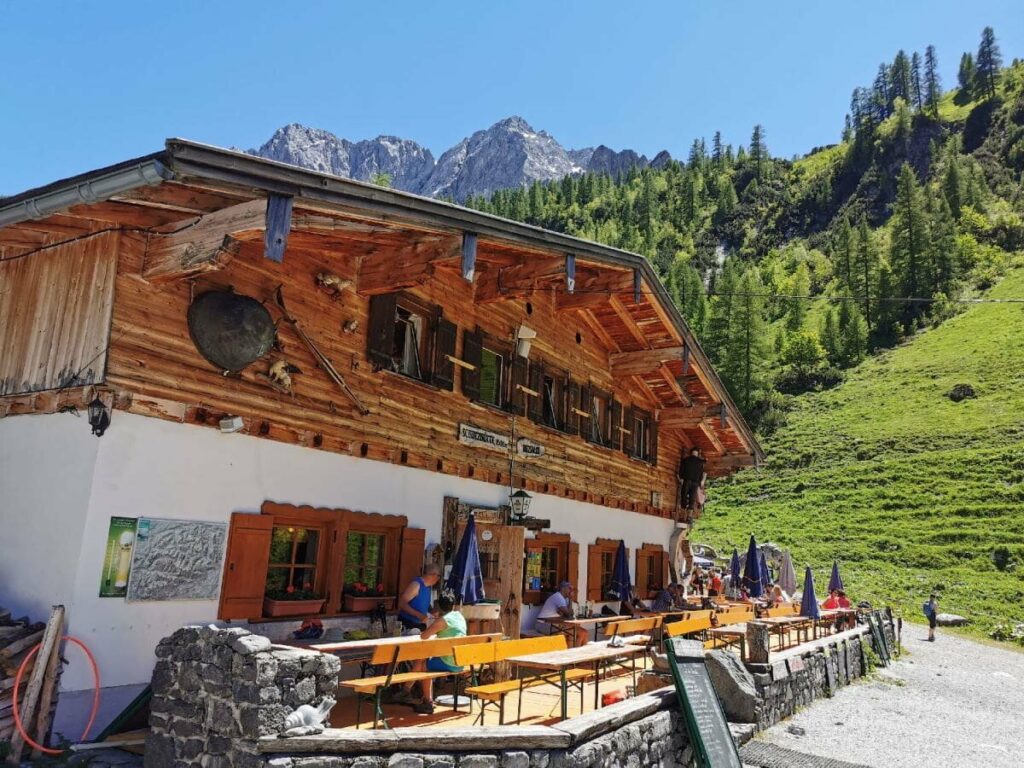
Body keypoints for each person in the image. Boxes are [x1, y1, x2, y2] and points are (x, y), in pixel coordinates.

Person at [402, 595, 466, 714]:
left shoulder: (443, 621)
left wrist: (436, 620)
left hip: (450, 662)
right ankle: (406, 690)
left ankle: (426, 701)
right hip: (460, 661)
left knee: (423, 666)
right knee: (423, 659)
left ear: (439, 607)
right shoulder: (459, 616)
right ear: (453, 606)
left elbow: (424, 636)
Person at [537, 581, 588, 646]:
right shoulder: (558, 597)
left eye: (572, 589)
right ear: (563, 589)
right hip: (543, 624)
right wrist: (570, 599)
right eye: (569, 588)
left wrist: (570, 600)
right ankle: (571, 653)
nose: (571, 591)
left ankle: (579, 652)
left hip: (555, 624)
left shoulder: (564, 599)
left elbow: (570, 613)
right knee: (572, 632)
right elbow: (568, 614)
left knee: (584, 632)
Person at [398, 563, 442, 635]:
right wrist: (419, 615)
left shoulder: (428, 587)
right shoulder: (416, 585)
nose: (438, 579)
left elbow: (422, 603)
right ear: (434, 575)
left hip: (419, 625)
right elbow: (401, 603)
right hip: (407, 625)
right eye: (439, 576)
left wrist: (432, 612)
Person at [678, 446, 707, 515]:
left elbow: (681, 471)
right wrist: (700, 483)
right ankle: (689, 514)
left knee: (684, 495)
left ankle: (683, 510)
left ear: (691, 453)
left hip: (687, 480)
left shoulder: (685, 460)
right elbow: (701, 473)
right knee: (692, 497)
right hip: (695, 483)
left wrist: (681, 478)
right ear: (697, 453)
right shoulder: (700, 462)